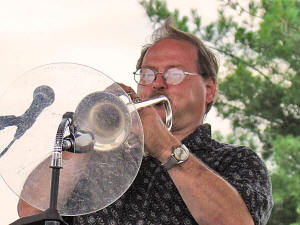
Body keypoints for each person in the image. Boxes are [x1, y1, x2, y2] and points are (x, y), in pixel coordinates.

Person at [18, 19, 273, 225]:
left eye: (174, 74)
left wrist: (165, 147)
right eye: (148, 73)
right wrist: (88, 132)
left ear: (209, 90)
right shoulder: (100, 157)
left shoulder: (237, 160)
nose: (157, 83)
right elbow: (31, 210)